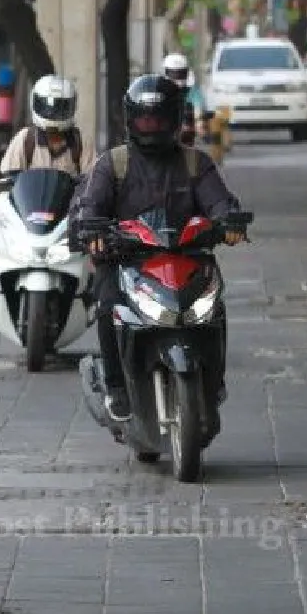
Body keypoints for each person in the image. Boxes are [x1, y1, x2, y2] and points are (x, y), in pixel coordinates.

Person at [73, 73, 245, 422]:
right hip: (124, 260)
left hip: (186, 258)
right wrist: (92, 231)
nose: (151, 127)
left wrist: (229, 223)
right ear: (130, 119)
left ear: (175, 119)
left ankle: (215, 380)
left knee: (216, 311)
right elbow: (90, 208)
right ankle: (116, 387)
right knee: (107, 309)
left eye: (159, 119)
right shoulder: (112, 163)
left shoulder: (196, 162)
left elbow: (219, 203)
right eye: (144, 119)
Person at [0, 74, 94, 178]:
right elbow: (7, 177)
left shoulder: (80, 142)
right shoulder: (26, 139)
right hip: (32, 194)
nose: (52, 113)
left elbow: (95, 180)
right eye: (47, 108)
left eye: (59, 108)